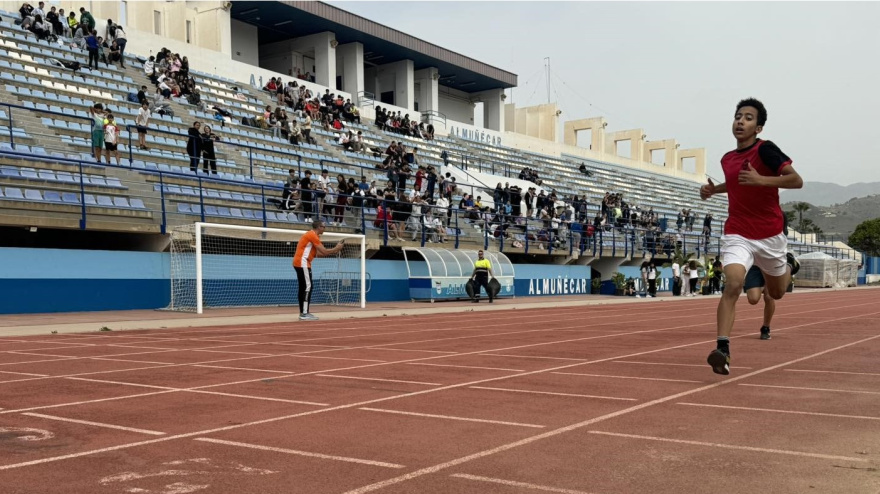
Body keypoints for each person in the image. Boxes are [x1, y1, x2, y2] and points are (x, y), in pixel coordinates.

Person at [701, 98, 802, 375]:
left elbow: (796, 180)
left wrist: (762, 180)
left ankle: (789, 264)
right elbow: (737, 183)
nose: (740, 121)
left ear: (758, 127)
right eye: (738, 116)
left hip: (770, 235)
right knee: (733, 284)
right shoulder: (727, 159)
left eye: (748, 118)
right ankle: (723, 349)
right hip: (738, 232)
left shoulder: (765, 149)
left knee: (776, 293)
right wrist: (713, 190)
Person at [292, 221, 346, 321]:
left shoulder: (312, 236)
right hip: (302, 263)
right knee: (307, 287)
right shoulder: (312, 235)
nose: (324, 228)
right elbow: (324, 251)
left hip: (301, 263)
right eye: (323, 227)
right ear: (318, 227)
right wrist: (336, 248)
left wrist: (335, 250)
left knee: (304, 287)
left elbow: (319, 254)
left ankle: (304, 312)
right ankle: (304, 313)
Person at [744, 265, 776, 340]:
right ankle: (763, 287)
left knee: (769, 297)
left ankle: (766, 327)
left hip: (771, 266)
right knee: (753, 299)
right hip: (755, 267)